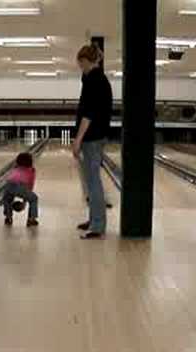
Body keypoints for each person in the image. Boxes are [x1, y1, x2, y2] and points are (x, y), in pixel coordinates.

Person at [72, 44, 113, 239]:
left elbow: (88, 114)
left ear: (87, 60)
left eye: (81, 64)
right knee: (90, 182)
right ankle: (94, 219)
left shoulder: (95, 80)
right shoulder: (95, 79)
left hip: (92, 138)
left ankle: (98, 226)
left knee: (93, 183)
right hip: (96, 136)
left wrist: (77, 139)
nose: (81, 67)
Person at [3, 152, 39, 227]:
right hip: (20, 185)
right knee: (34, 199)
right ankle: (31, 219)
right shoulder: (31, 170)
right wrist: (24, 202)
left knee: (7, 200)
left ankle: (8, 218)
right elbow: (30, 185)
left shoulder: (15, 168)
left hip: (8, 184)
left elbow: (10, 177)